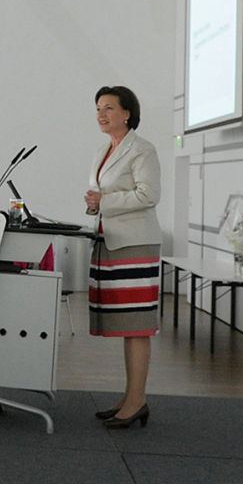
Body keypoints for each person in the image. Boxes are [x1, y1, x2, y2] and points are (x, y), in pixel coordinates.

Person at [85, 84, 162, 430]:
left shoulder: (143, 149)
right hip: (111, 242)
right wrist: (94, 204)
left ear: (127, 113)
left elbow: (149, 194)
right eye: (99, 108)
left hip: (134, 245)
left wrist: (105, 201)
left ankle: (137, 400)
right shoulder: (105, 149)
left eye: (109, 108)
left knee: (137, 326)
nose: (102, 114)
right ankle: (130, 397)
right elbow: (106, 194)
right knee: (126, 325)